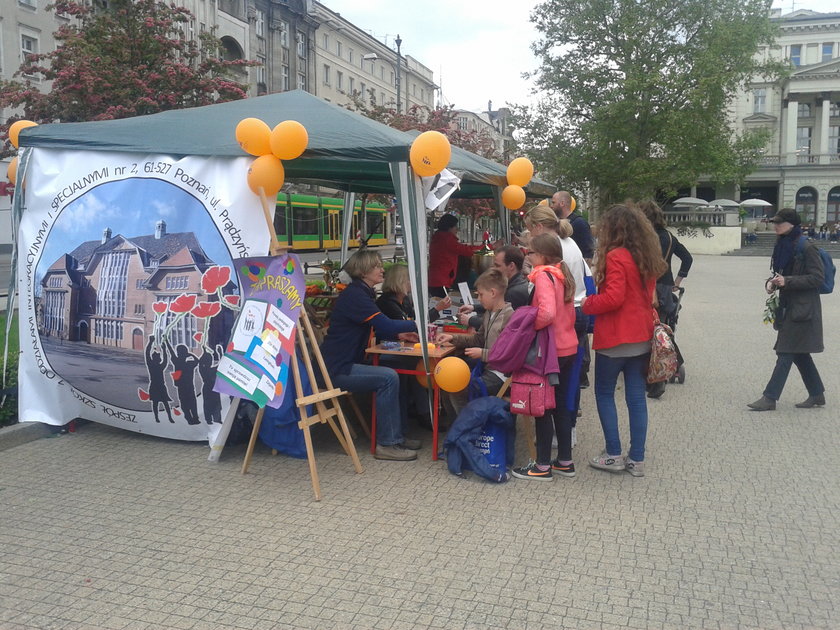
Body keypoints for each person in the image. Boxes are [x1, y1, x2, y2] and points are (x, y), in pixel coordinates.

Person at [581, 204, 667, 478]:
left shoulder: (617, 256)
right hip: (641, 336)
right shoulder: (647, 256)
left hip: (615, 338)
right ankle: (637, 459)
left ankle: (613, 454)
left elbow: (614, 298)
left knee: (605, 394)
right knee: (636, 399)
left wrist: (588, 303)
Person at [319, 250, 421, 461]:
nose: (382, 269)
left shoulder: (362, 292)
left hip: (349, 362)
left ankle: (398, 434)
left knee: (401, 367)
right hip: (338, 368)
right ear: (364, 271)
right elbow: (384, 324)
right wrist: (419, 322)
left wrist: (400, 334)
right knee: (388, 377)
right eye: (377, 266)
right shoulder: (356, 296)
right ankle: (387, 444)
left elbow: (380, 328)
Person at [510, 233, 579, 481]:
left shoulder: (542, 276)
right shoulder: (562, 275)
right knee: (560, 406)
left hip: (550, 351)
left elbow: (547, 313)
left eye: (529, 252)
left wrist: (531, 326)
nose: (526, 256)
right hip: (569, 346)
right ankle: (564, 461)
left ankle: (541, 467)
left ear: (540, 255)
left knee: (541, 406)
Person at [748, 209, 826, 411]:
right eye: (775, 222)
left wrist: (787, 281)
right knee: (800, 354)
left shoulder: (807, 247)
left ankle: (770, 397)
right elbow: (781, 272)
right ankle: (817, 394)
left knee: (786, 351)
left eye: (779, 223)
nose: (775, 226)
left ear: (791, 225)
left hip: (803, 309)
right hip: (789, 305)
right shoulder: (783, 244)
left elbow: (818, 278)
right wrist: (774, 283)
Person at [525, 204, 592, 389]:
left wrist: (531, 325)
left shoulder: (550, 247)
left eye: (530, 229)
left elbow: (547, 310)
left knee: (556, 381)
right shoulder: (570, 242)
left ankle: (561, 409)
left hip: (561, 316)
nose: (530, 235)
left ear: (538, 227)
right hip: (576, 308)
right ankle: (570, 409)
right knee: (572, 377)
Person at [437, 268, 514, 415]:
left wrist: (482, 354)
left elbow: (509, 353)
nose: (478, 299)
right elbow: (478, 338)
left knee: (457, 389)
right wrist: (453, 338)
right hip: (488, 369)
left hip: (502, 376)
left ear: (493, 293)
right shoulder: (489, 313)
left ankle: (466, 427)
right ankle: (459, 429)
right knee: (447, 385)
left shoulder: (510, 317)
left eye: (480, 294)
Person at [638, 199, 693, 399]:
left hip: (650, 287)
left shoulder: (645, 239)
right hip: (666, 286)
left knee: (651, 331)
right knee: (663, 328)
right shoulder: (669, 237)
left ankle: (657, 377)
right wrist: (677, 281)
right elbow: (687, 258)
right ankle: (674, 364)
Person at [458, 245, 529, 329]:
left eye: (497, 266)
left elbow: (497, 321)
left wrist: (470, 320)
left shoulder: (515, 292)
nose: (494, 269)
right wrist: (474, 307)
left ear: (511, 266)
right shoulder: (514, 285)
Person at [428, 214, 483, 298]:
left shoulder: (438, 238)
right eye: (455, 226)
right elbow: (466, 251)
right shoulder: (447, 240)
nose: (457, 229)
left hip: (436, 279)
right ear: (449, 227)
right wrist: (487, 247)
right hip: (442, 280)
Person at [376, 264, 451, 323]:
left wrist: (437, 309)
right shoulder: (387, 302)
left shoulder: (404, 299)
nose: (413, 282)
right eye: (410, 279)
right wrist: (437, 308)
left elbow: (416, 319)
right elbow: (407, 325)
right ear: (400, 281)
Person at [551, 190, 594, 263]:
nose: (551, 206)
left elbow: (588, 253)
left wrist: (583, 273)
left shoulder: (580, 223)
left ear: (562, 203)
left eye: (553, 202)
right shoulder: (555, 223)